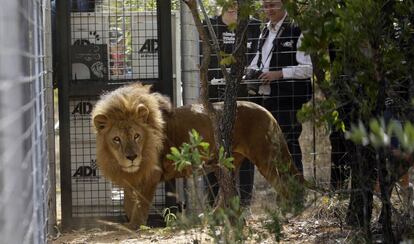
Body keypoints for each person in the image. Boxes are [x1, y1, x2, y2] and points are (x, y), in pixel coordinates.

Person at [201, 3, 261, 206]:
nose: (233, 4)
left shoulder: (255, 26)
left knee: (244, 149)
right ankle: (213, 202)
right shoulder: (207, 26)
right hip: (214, 99)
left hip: (245, 100)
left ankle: (244, 203)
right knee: (212, 149)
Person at [246, 0, 313, 174]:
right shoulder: (265, 30)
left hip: (289, 98)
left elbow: (308, 69)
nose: (269, 9)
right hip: (267, 98)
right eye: (266, 6)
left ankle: (296, 191)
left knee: (288, 143)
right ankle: (284, 190)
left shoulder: (297, 29)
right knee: (273, 147)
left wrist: (279, 74)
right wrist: (250, 74)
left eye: (273, 5)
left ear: (284, 5)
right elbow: (258, 61)